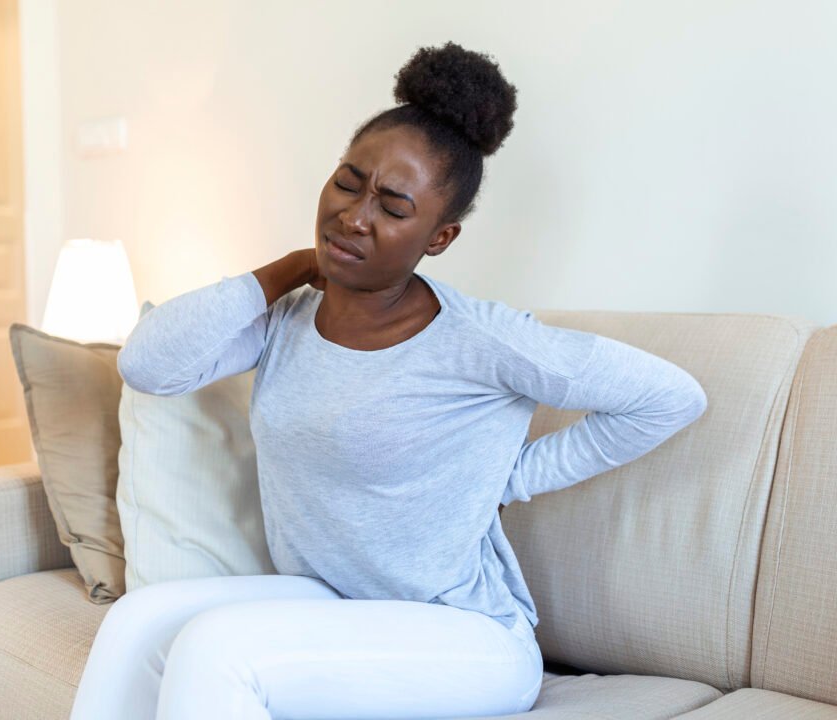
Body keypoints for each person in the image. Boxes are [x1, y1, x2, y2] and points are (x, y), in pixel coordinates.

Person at [70, 41, 708, 720]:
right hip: (335, 601)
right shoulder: (287, 321)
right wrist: (285, 270)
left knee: (217, 651)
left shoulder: (482, 340)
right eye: (349, 181)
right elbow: (148, 365)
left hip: (467, 637)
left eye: (394, 207)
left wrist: (509, 477)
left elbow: (670, 398)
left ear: (439, 238)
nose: (355, 216)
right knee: (136, 624)